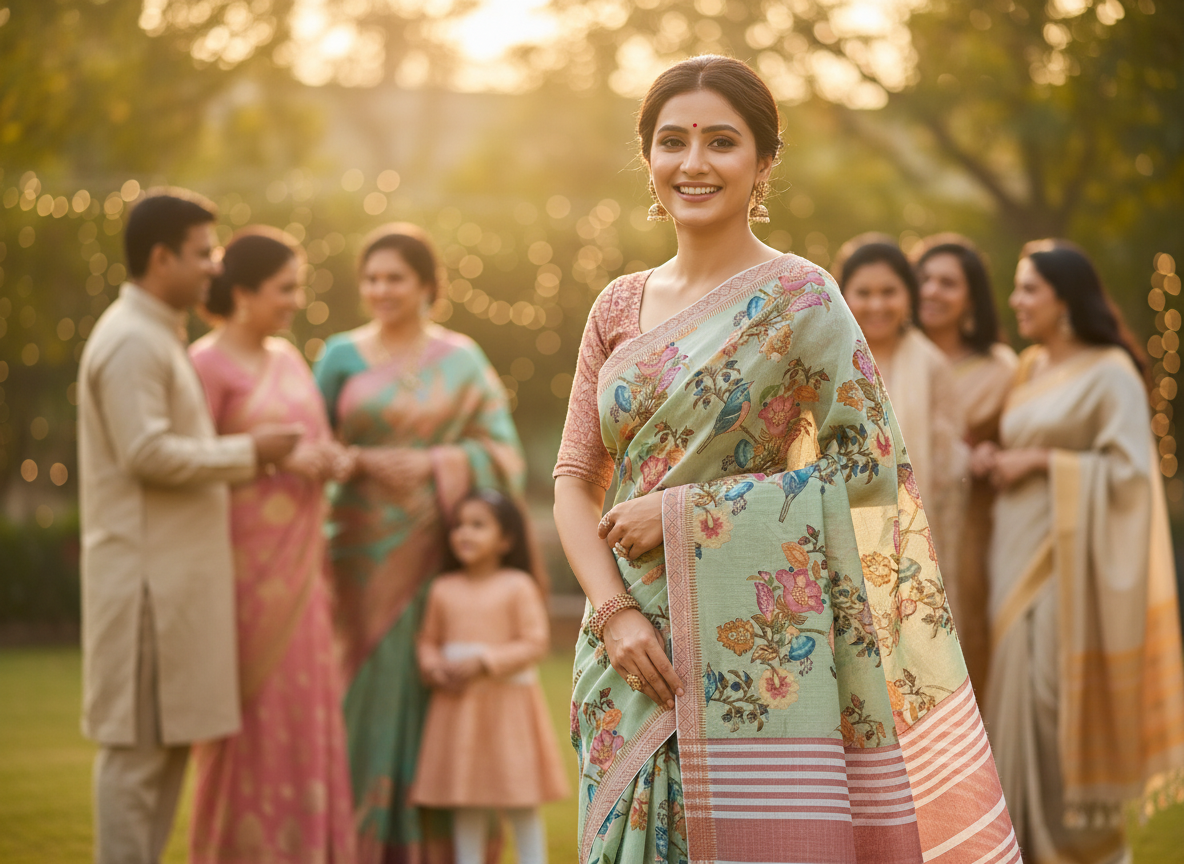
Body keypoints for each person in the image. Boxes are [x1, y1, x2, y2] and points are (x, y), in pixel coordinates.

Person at [553, 55, 1017, 864]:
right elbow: (572, 479)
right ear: (648, 158)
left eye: (721, 142)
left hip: (743, 645)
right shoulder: (616, 305)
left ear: (764, 162)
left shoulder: (804, 298)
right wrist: (614, 615)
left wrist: (680, 514)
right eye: (672, 141)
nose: (693, 164)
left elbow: (870, 475)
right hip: (624, 654)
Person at [76, 192, 299, 863]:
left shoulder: (155, 333)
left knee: (165, 757)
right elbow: (144, 453)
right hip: (145, 587)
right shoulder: (129, 341)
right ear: (160, 256)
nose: (215, 267)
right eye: (204, 253)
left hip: (169, 586)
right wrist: (251, 453)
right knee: (136, 765)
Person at [314, 223, 528, 863]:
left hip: (435, 549)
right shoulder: (339, 356)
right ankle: (351, 844)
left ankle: (432, 847)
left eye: (395, 279)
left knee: (426, 688)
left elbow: (505, 456)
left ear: (427, 286)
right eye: (371, 278)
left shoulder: (461, 359)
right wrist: (344, 460)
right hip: (353, 552)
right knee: (359, 691)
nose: (380, 290)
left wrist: (437, 464)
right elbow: (311, 442)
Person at [974, 240, 1184, 863]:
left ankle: (1073, 850)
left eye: (1029, 288)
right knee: (1008, 701)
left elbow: (1129, 475)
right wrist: (991, 456)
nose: (1016, 300)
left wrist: (1039, 461)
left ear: (1065, 299)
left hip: (1068, 572)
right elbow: (999, 434)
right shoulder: (1026, 366)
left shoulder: (1109, 370)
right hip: (1010, 557)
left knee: (1048, 707)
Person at [187, 229, 356, 862]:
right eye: (285, 288)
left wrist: (326, 459)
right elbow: (193, 466)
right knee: (247, 724)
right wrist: (271, 463)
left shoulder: (287, 357)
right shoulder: (204, 365)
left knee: (305, 712)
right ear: (246, 289)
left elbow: (306, 441)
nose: (295, 301)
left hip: (302, 570)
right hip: (240, 572)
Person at [410, 489, 568, 864]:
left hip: (508, 711)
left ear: (506, 539)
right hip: (459, 708)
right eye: (460, 525)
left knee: (520, 798)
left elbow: (534, 642)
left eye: (478, 526)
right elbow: (427, 640)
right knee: (467, 799)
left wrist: (486, 661)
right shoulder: (443, 589)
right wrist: (433, 666)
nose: (465, 533)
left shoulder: (517, 586)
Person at [913, 234, 1017, 690]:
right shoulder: (890, 354)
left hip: (969, 533)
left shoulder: (1000, 370)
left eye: (948, 283)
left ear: (971, 297)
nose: (932, 291)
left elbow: (1011, 441)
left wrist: (991, 452)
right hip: (895, 522)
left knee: (963, 649)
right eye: (924, 279)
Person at [835, 237, 967, 590]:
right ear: (843, 296)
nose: (876, 304)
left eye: (888, 291)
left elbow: (945, 472)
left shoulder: (933, 367)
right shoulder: (828, 361)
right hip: (839, 539)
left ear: (909, 295)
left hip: (918, 540)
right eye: (863, 292)